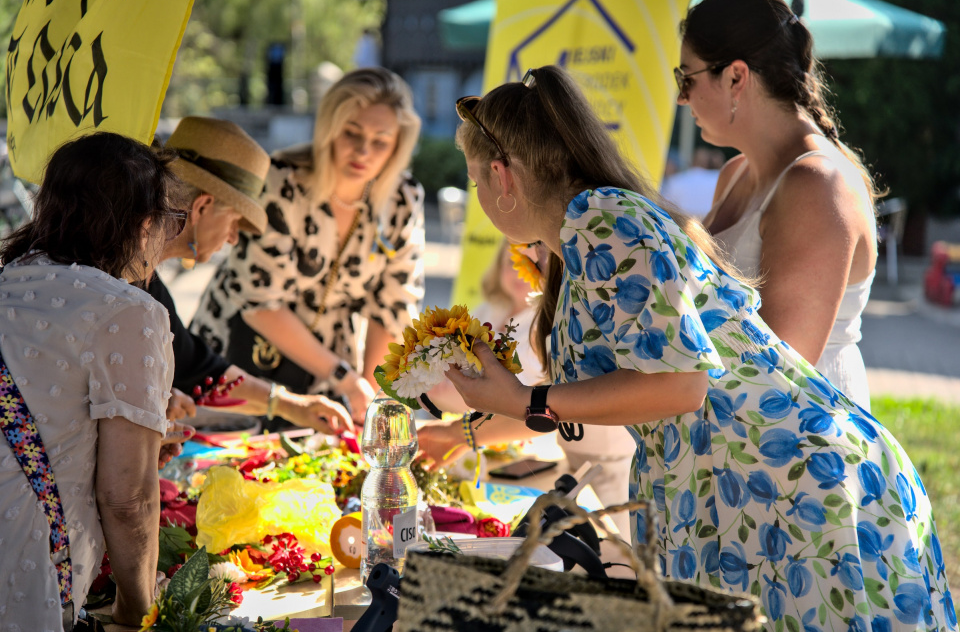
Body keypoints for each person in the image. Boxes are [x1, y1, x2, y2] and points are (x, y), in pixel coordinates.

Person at [444, 65, 955, 630]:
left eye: (474, 182)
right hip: (741, 483)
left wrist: (527, 401)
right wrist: (495, 412)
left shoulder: (602, 222)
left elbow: (680, 385)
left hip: (791, 487)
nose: (479, 198)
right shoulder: (586, 229)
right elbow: (633, 388)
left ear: (501, 175)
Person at [0, 133, 180, 629]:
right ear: (145, 226)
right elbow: (128, 498)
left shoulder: (9, 280)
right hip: (23, 567)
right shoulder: (129, 311)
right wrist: (138, 610)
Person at [191, 68, 424, 426]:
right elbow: (259, 302)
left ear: (398, 145)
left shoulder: (403, 199)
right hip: (245, 344)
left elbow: (393, 306)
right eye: (352, 132)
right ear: (329, 128)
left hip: (330, 362)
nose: (364, 150)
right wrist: (345, 377)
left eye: (381, 140)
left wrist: (371, 390)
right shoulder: (283, 180)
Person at [678, 0, 878, 410]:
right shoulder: (735, 174)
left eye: (687, 79)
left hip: (803, 449)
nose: (681, 98)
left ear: (735, 77)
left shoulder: (816, 186)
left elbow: (777, 373)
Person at [417, 240, 636, 533]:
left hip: (617, 470)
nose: (530, 272)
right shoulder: (554, 308)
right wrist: (460, 433)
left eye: (537, 260)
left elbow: (547, 406)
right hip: (579, 462)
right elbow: (545, 402)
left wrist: (460, 432)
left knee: (620, 553)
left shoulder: (576, 306)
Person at [153, 116, 352, 434]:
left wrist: (291, 405)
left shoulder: (143, 276)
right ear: (202, 207)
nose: (232, 238)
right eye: (234, 221)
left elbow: (196, 368)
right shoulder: (129, 275)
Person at [661, 147, 724, 220]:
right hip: (712, 224)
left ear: (692, 160)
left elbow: (665, 206)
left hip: (682, 224)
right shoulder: (719, 179)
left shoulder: (675, 180)